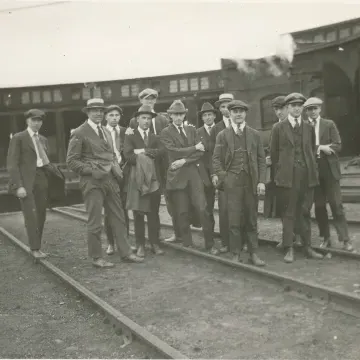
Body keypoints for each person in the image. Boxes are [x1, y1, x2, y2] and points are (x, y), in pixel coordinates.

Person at [66, 98, 143, 268]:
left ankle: (126, 252)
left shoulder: (106, 131)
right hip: (92, 182)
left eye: (101, 110)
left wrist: (115, 169)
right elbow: (71, 161)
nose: (98, 113)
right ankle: (96, 257)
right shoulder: (79, 132)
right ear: (87, 112)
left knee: (119, 216)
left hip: (110, 180)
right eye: (94, 110)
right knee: (95, 221)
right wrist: (92, 171)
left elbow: (112, 154)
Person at [160, 100, 219, 254]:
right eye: (175, 115)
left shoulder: (192, 130)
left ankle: (210, 244)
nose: (178, 117)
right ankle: (188, 244)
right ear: (170, 116)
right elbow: (173, 151)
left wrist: (184, 160)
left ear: (184, 115)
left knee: (203, 208)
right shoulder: (166, 132)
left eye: (181, 114)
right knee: (182, 211)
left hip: (194, 175)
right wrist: (193, 148)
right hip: (178, 177)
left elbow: (201, 152)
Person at [270, 93, 323, 263]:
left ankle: (307, 246)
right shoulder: (278, 128)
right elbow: (274, 153)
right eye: (293, 105)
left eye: (300, 105)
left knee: (305, 212)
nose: (297, 108)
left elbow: (312, 151)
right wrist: (283, 173)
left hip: (306, 176)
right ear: (287, 108)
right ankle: (289, 248)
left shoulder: (308, 127)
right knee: (289, 212)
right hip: (287, 177)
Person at [212, 100, 266, 266]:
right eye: (235, 111)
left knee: (251, 219)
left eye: (241, 111)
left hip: (250, 182)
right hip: (232, 183)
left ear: (245, 113)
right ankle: (235, 253)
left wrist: (261, 181)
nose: (238, 114)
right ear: (230, 113)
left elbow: (261, 160)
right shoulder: (222, 135)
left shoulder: (254, 134)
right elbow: (216, 160)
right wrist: (225, 177)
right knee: (234, 219)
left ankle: (253, 253)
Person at [7, 109, 65, 259]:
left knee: (41, 214)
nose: (37, 123)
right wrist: (18, 185)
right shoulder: (19, 138)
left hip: (41, 179)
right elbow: (12, 164)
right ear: (27, 121)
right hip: (26, 182)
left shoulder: (44, 140)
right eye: (34, 120)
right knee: (31, 215)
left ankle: (36, 246)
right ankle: (35, 248)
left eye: (39, 120)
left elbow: (45, 162)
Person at [304, 97, 353, 251]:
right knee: (319, 207)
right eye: (309, 109)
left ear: (320, 109)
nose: (312, 112)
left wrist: (323, 147)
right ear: (306, 111)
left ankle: (345, 239)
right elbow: (303, 148)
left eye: (315, 108)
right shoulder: (304, 127)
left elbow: (338, 145)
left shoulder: (329, 124)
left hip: (329, 170)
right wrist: (319, 148)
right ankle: (325, 238)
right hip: (313, 171)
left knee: (336, 205)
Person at [123, 104, 165, 257]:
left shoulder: (156, 137)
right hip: (137, 180)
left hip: (154, 180)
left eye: (149, 118)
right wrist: (148, 157)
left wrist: (142, 151)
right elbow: (128, 155)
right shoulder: (130, 136)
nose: (146, 121)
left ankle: (154, 243)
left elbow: (161, 152)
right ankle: (140, 244)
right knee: (138, 213)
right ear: (137, 119)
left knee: (153, 213)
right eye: (143, 118)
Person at [265, 95, 302, 248]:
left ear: (288, 108)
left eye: (282, 108)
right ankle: (289, 237)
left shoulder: (298, 125)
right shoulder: (276, 127)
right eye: (276, 109)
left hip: (297, 172)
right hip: (280, 174)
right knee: (282, 206)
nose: (279, 112)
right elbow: (273, 151)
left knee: (299, 206)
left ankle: (298, 236)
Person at [103, 105, 130, 255]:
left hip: (123, 172)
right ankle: (111, 243)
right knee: (109, 210)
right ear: (106, 117)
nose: (114, 118)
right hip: (108, 173)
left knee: (124, 209)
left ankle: (124, 242)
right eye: (111, 115)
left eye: (117, 115)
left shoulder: (126, 132)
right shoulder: (100, 132)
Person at [209, 93, 234, 253]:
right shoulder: (216, 129)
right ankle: (226, 242)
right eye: (223, 106)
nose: (226, 109)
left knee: (241, 208)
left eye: (229, 106)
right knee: (224, 209)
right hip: (223, 173)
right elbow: (213, 154)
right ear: (219, 109)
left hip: (240, 173)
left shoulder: (242, 125)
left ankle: (242, 240)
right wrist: (214, 173)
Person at [196, 102, 217, 236]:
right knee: (206, 206)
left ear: (214, 116)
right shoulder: (197, 133)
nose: (208, 117)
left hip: (220, 172)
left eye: (210, 114)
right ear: (202, 118)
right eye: (205, 115)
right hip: (204, 174)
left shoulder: (221, 130)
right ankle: (209, 233)